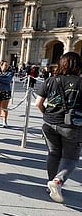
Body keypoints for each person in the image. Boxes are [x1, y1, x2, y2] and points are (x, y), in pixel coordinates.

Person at [34, 52, 82, 203]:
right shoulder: (80, 82)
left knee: (53, 154)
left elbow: (38, 104)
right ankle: (58, 181)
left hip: (49, 123)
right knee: (71, 157)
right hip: (71, 126)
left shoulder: (50, 80)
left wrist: (47, 115)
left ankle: (51, 184)